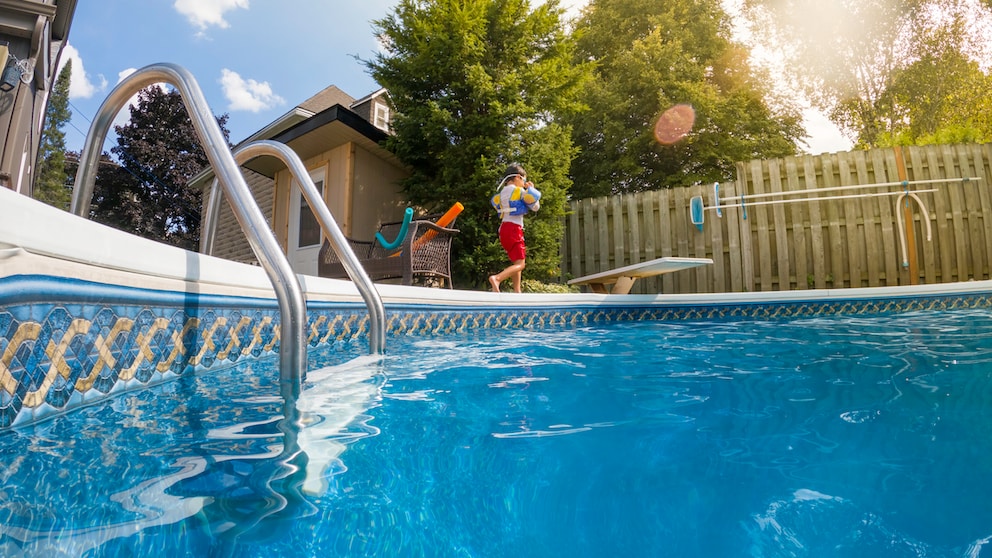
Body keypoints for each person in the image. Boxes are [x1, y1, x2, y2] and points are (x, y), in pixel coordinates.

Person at [488, 163, 541, 293]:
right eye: (523, 180)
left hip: (503, 230)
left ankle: (517, 292)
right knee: (521, 264)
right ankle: (497, 278)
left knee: (516, 261)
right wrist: (531, 189)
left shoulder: (501, 194)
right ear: (518, 177)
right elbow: (535, 207)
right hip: (514, 229)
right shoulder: (519, 191)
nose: (524, 183)